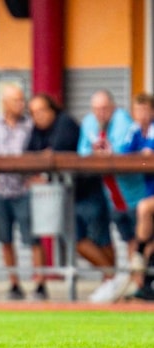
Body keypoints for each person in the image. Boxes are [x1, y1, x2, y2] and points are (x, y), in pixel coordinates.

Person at [26, 93, 118, 302]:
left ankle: (111, 282)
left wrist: (44, 164)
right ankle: (112, 278)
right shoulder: (37, 131)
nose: (38, 116)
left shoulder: (65, 123)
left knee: (101, 238)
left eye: (41, 110)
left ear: (52, 109)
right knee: (76, 240)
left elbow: (57, 153)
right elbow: (28, 154)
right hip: (69, 196)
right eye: (33, 113)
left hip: (89, 190)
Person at [0, 85, 47, 300]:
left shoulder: (30, 125)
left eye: (22, 100)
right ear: (5, 102)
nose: (21, 104)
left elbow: (42, 151)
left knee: (33, 239)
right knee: (5, 239)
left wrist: (35, 175)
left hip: (24, 190)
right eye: (16, 100)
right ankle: (14, 284)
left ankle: (40, 283)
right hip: (1, 191)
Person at [77, 89, 147, 302]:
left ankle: (139, 284)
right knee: (128, 240)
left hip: (136, 194)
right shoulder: (89, 122)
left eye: (105, 108)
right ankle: (132, 285)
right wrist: (94, 154)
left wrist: (107, 154)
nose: (101, 113)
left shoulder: (124, 120)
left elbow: (123, 152)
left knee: (140, 239)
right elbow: (82, 152)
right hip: (112, 195)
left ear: (113, 107)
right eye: (97, 109)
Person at [122, 93, 154, 300]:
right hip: (149, 191)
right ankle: (146, 285)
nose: (141, 114)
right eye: (138, 110)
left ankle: (138, 254)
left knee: (144, 208)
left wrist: (142, 160)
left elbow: (145, 160)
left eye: (145, 110)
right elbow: (124, 155)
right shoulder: (134, 131)